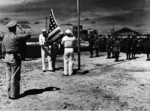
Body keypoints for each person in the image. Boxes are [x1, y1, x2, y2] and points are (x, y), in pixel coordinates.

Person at [2, 21, 31, 99]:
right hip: (14, 57)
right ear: (15, 28)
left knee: (8, 76)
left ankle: (9, 94)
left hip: (6, 56)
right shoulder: (16, 36)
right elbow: (28, 35)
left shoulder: (5, 36)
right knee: (15, 76)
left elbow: (3, 49)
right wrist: (22, 29)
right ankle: (14, 95)